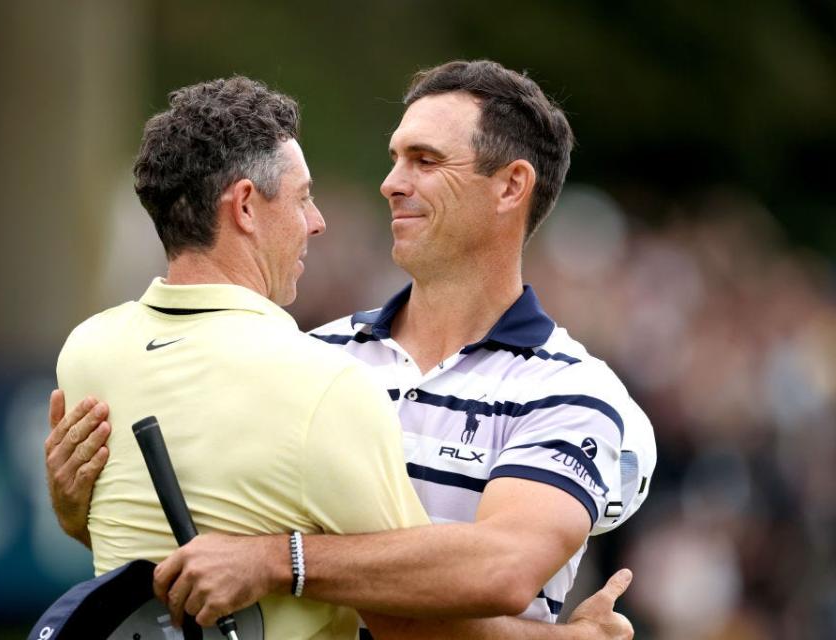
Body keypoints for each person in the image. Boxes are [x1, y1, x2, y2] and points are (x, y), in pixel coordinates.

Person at [48, 62, 649, 639]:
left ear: (511, 186)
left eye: (426, 160)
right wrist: (83, 515)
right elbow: (205, 560)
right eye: (395, 158)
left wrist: (281, 560)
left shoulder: (571, 390)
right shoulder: (312, 358)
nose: (391, 182)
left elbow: (504, 567)